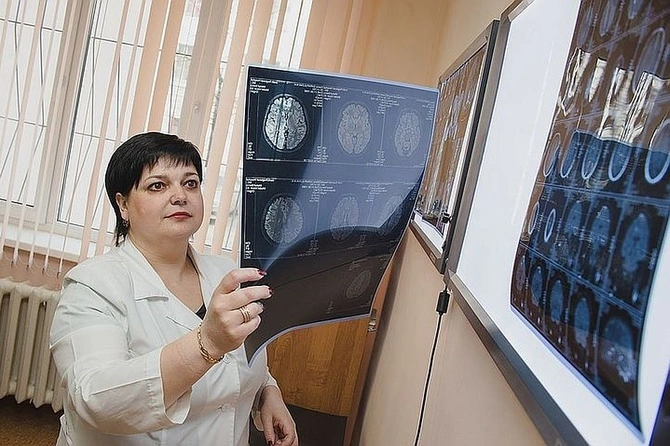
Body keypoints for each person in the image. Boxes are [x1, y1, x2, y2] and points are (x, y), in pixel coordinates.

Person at [50, 132, 298, 446]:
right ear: (123, 205)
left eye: (190, 183)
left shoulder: (227, 273)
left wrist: (267, 392)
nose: (180, 195)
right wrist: (207, 343)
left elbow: (246, 358)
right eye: (158, 185)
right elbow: (95, 400)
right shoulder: (92, 285)